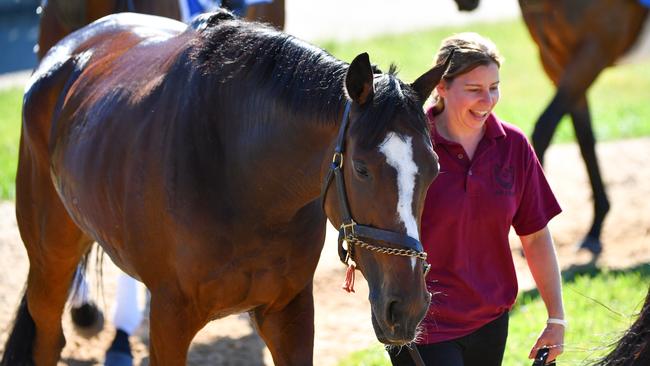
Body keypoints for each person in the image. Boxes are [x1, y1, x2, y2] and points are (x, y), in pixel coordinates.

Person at [388, 32, 565, 365]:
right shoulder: (407, 148)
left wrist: (556, 319)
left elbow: (536, 235)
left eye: (494, 87)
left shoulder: (512, 146)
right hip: (422, 325)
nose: (488, 100)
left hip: (491, 320)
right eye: (474, 90)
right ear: (440, 87)